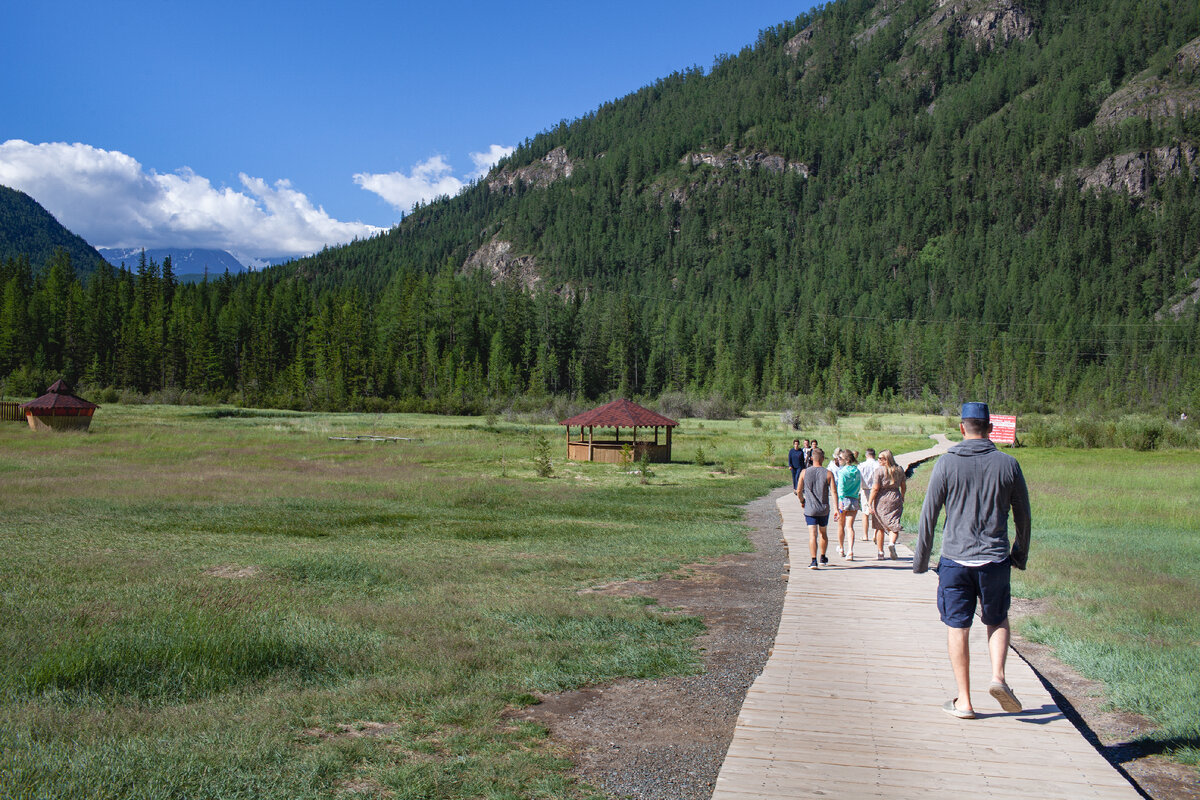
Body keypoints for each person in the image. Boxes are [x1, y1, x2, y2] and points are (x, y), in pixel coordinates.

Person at [914, 402, 1031, 719]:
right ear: (990, 428)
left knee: (957, 626)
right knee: (997, 618)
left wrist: (922, 559)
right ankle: (998, 677)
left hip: (955, 559)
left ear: (962, 428)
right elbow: (1023, 516)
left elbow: (929, 514)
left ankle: (964, 702)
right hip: (994, 560)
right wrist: (1019, 554)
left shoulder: (946, 463)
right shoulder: (1009, 465)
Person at [797, 447, 837, 570]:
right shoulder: (828, 473)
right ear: (823, 459)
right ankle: (823, 557)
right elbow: (834, 492)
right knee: (823, 533)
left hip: (810, 509)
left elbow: (799, 490)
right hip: (824, 509)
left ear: (811, 458)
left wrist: (802, 501)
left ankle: (813, 560)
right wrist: (836, 509)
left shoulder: (804, 472)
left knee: (812, 535)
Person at [868, 449, 906, 560]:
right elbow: (903, 485)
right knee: (894, 523)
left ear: (886, 459)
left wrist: (869, 502)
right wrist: (902, 496)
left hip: (881, 499)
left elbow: (875, 488)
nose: (878, 460)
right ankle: (891, 543)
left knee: (880, 526)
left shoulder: (879, 471)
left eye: (880, 458)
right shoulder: (899, 469)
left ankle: (880, 552)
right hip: (895, 497)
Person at [835, 450, 862, 560]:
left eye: (840, 458)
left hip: (844, 499)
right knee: (850, 526)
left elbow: (840, 487)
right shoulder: (857, 471)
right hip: (854, 499)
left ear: (846, 460)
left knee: (841, 525)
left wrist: (840, 501)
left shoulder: (842, 472)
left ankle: (841, 548)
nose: (838, 460)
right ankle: (850, 550)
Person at [858, 448, 879, 543]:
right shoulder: (878, 465)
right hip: (876, 490)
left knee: (865, 513)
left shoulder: (861, 465)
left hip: (865, 489)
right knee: (876, 512)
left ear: (866, 455)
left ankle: (865, 535)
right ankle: (875, 533)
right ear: (874, 455)